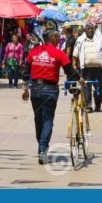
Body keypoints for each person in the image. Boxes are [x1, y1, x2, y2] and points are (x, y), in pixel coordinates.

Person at [22, 30, 79, 164]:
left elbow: (25, 72)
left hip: (35, 89)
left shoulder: (34, 52)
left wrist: (25, 90)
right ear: (52, 38)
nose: (59, 40)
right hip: (50, 90)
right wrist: (79, 78)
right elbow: (70, 72)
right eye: (58, 38)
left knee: (38, 120)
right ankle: (42, 149)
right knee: (47, 120)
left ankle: (41, 148)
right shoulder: (59, 53)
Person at [73, 24, 102, 112]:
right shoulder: (80, 40)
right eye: (88, 28)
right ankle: (88, 106)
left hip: (99, 69)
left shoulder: (101, 39)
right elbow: (75, 54)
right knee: (86, 88)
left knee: (99, 89)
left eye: (91, 28)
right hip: (85, 69)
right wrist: (74, 65)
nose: (90, 30)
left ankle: (98, 104)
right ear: (85, 30)